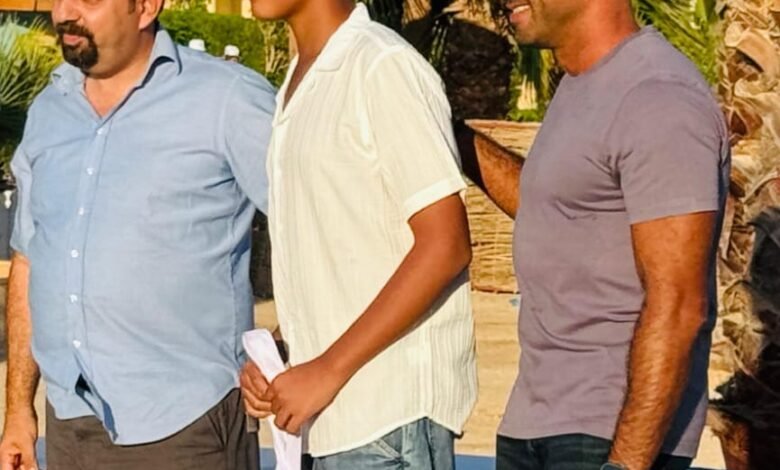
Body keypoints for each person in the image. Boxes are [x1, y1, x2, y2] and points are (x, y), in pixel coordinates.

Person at [0, 0, 275, 468]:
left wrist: (289, 348)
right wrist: (18, 410)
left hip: (186, 429)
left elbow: (316, 226)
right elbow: (30, 259)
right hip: (68, 423)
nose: (65, 13)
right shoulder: (49, 109)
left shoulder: (226, 98)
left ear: (146, 7)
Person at [456, 1, 730, 469]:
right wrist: (455, 138)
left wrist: (624, 463)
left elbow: (681, 306)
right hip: (535, 422)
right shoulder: (584, 84)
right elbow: (557, 207)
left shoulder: (658, 97)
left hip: (609, 434)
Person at [240, 1, 477, 469]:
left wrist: (327, 369)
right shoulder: (300, 82)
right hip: (328, 422)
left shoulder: (381, 66)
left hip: (387, 421)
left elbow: (445, 244)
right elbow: (345, 258)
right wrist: (284, 351)